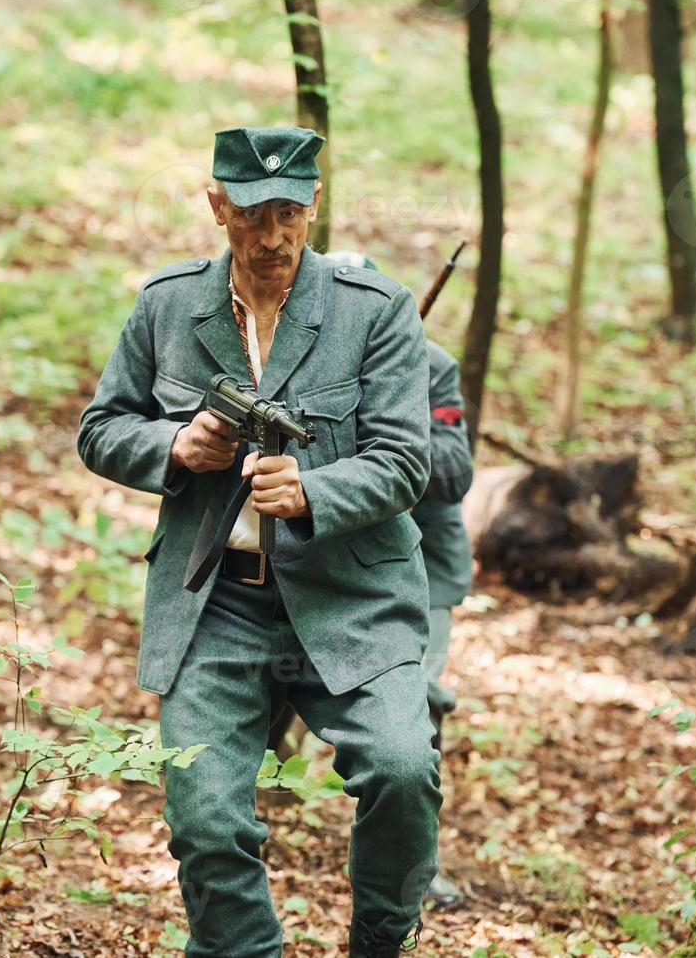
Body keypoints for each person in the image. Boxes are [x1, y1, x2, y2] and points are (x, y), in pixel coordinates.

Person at [78, 126, 441, 957]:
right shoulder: (167, 305)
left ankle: (382, 940)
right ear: (217, 208)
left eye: (288, 213)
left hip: (354, 595)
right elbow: (100, 429)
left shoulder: (372, 310)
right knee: (204, 818)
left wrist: (313, 492)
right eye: (251, 214)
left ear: (313, 208)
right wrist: (174, 446)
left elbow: (406, 461)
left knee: (401, 770)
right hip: (216, 603)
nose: (271, 236)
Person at [322, 250, 475, 909]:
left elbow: (451, 472)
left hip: (420, 569)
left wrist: (387, 422)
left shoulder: (431, 364)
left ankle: (413, 870)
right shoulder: (305, 362)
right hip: (324, 559)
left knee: (416, 716)